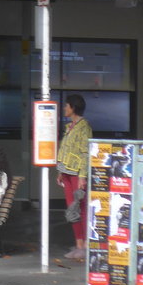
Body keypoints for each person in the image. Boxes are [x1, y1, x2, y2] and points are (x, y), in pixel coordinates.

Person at [56, 93, 92, 260]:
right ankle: (78, 244)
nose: (64, 108)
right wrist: (61, 171)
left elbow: (86, 153)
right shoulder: (69, 126)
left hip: (77, 174)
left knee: (80, 208)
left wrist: (83, 176)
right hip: (67, 173)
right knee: (72, 208)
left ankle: (84, 245)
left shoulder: (84, 127)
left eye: (66, 106)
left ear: (73, 108)